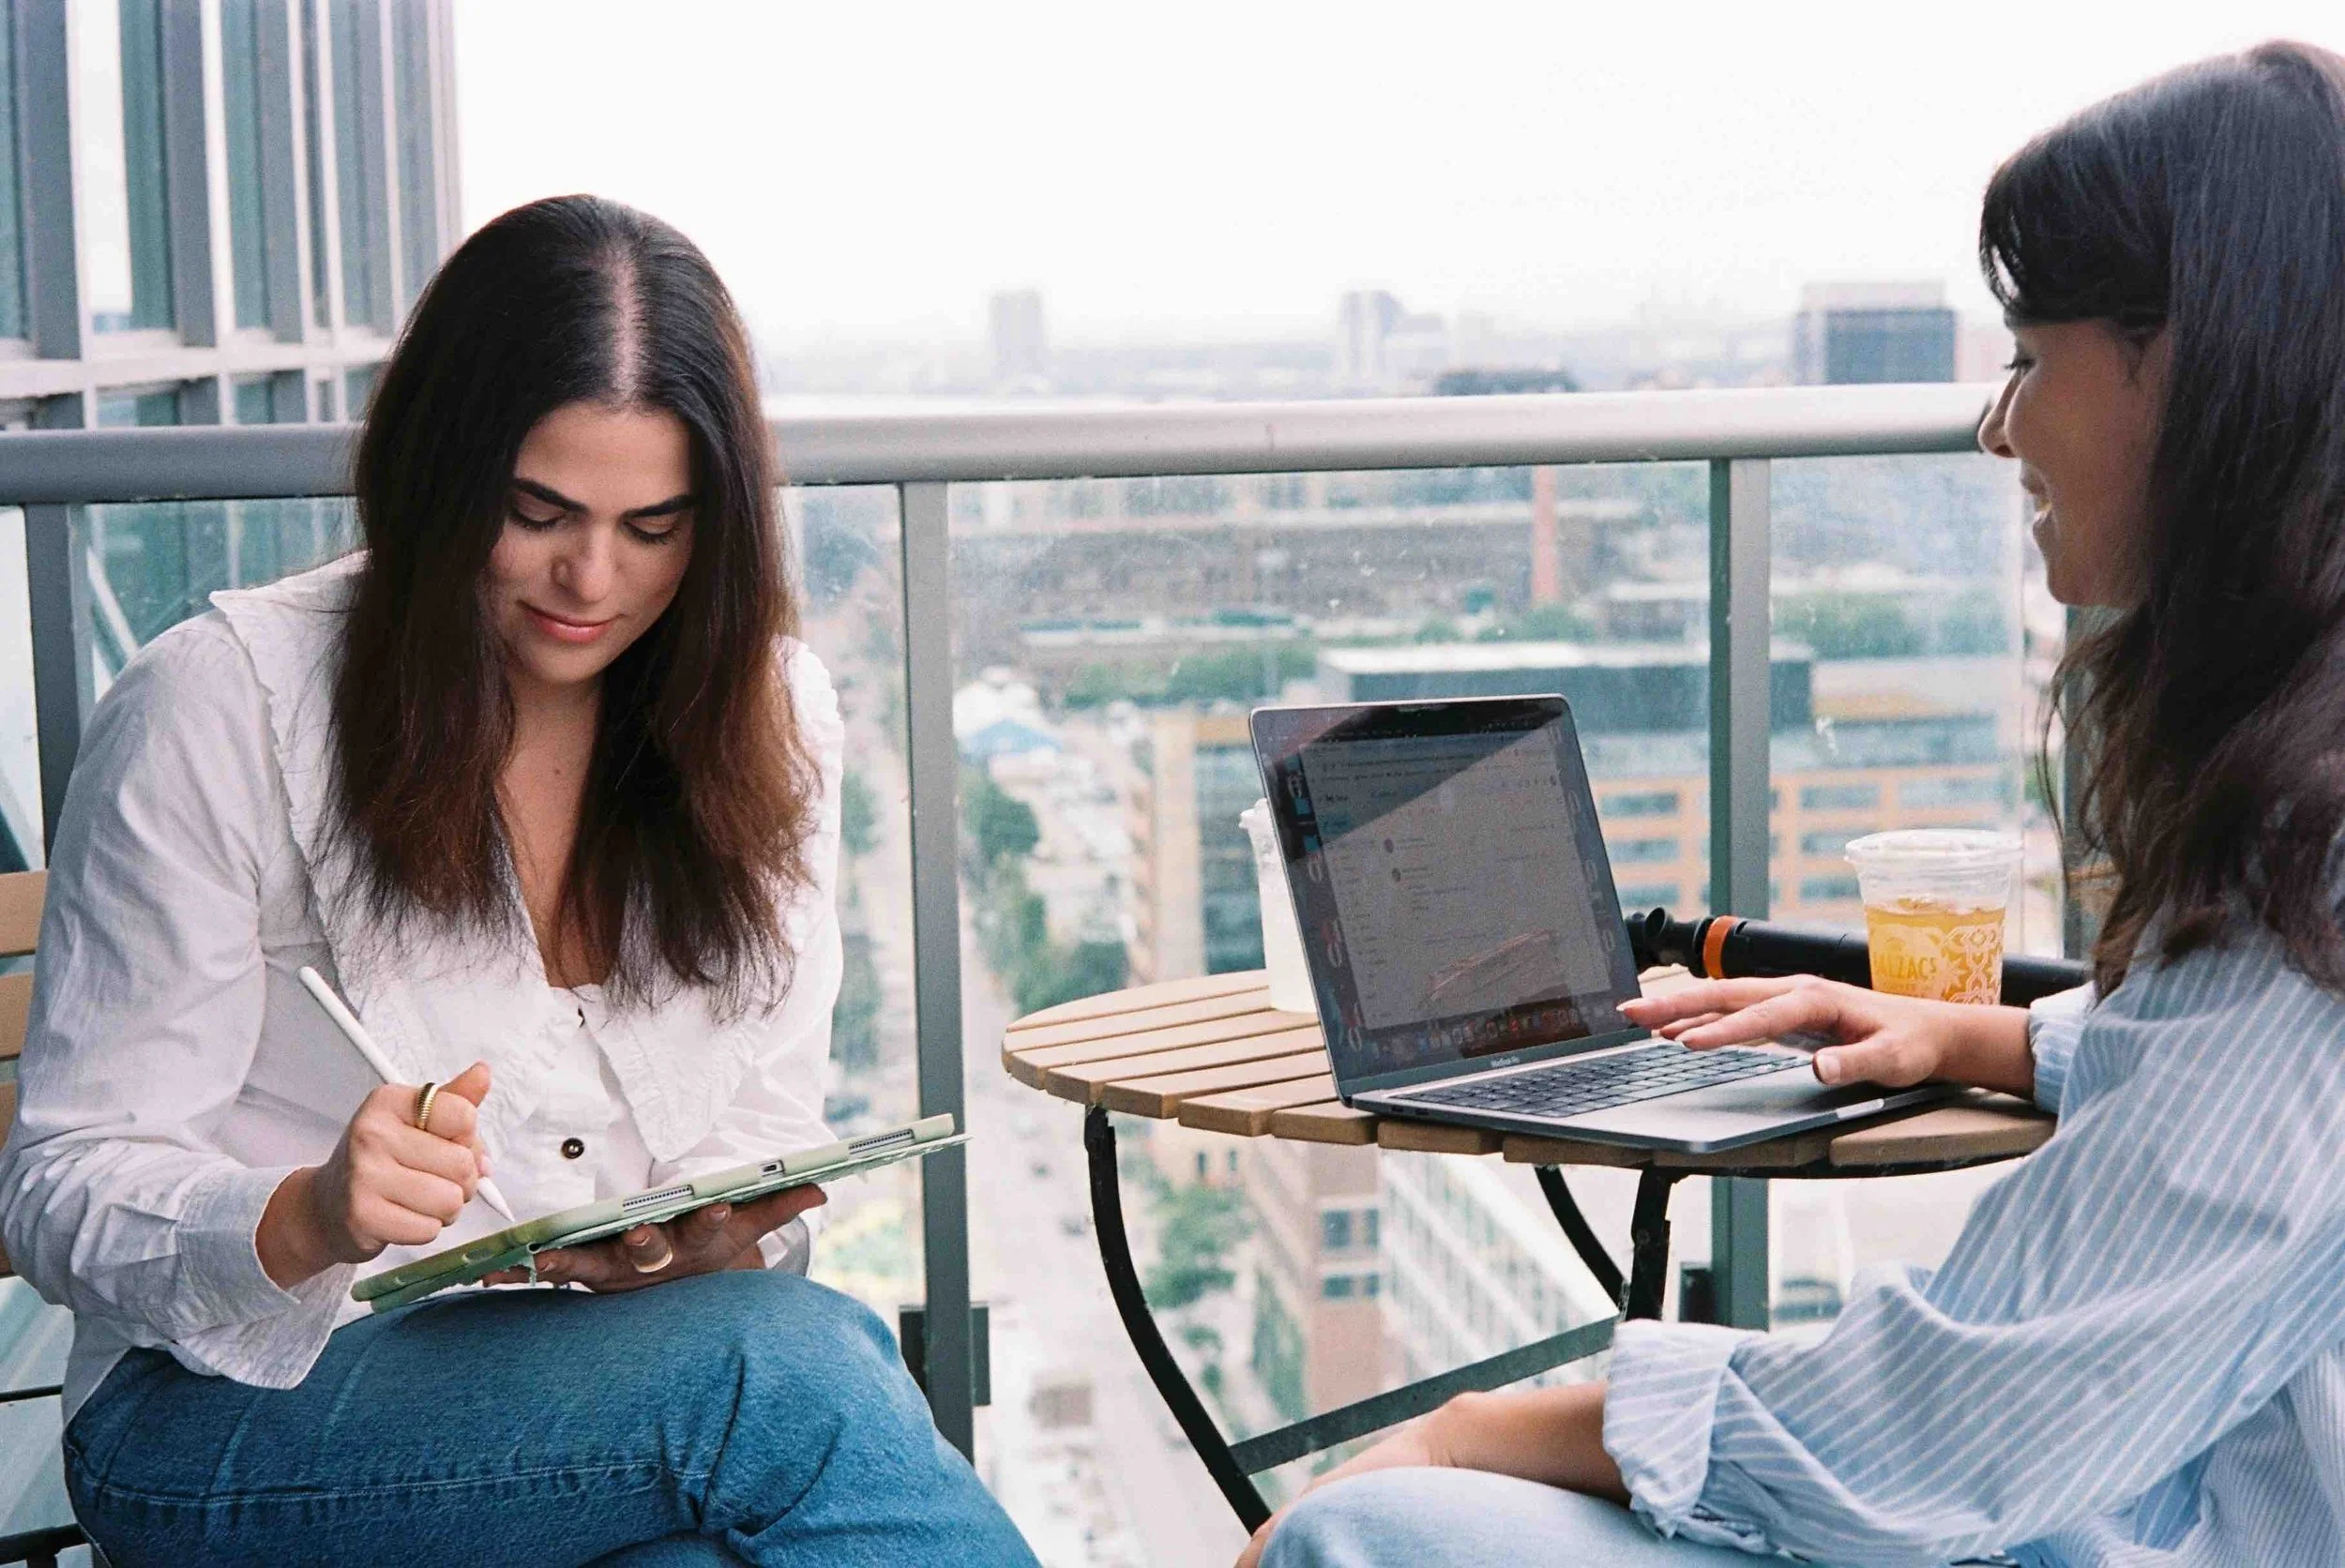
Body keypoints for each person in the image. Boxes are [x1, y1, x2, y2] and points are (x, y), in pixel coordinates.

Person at [1245, 39, 2345, 1568]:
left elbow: (1941, 1433)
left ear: (2204, 366)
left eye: (2032, 354)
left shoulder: (2317, 849)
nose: (2001, 425)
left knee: (1363, 1536)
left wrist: (1482, 1427)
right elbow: (2268, 1098)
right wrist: (1998, 1038)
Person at [0, 195, 1038, 1568]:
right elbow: (59, 1184)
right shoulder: (220, 705)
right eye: (537, 511)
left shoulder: (768, 712)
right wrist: (307, 1211)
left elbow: (765, 1125)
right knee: (786, 1373)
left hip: (594, 1393)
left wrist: (682, 1244)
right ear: (440, 474)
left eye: (654, 527)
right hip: (224, 1417)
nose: (590, 579)